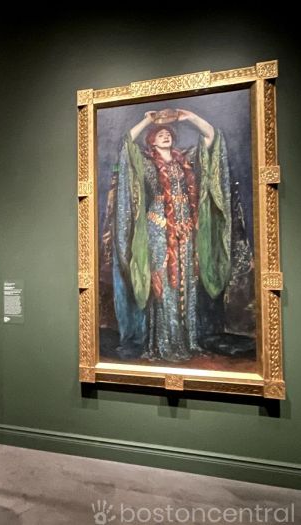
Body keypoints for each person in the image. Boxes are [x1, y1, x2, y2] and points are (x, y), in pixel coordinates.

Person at [109, 108, 232, 362]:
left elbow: (212, 137)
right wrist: (147, 120)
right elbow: (126, 143)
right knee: (163, 283)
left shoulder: (186, 160)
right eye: (159, 134)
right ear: (151, 141)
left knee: (186, 281)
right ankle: (163, 344)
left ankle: (186, 341)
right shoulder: (146, 163)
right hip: (158, 228)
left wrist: (191, 117)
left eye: (168, 133)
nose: (165, 136)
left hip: (185, 228)